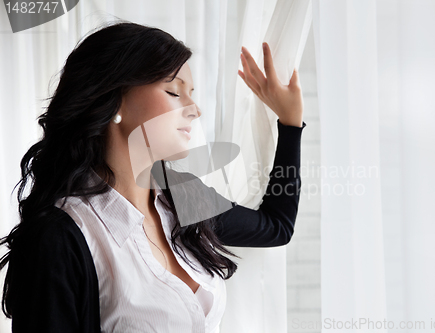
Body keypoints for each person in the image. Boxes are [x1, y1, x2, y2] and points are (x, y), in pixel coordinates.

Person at [0, 21, 306, 333]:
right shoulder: (59, 237)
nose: (194, 109)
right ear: (116, 100)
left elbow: (276, 227)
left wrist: (291, 126)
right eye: (174, 91)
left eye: (192, 93)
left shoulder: (183, 198)